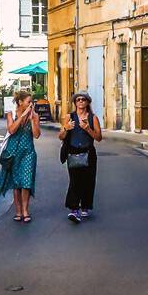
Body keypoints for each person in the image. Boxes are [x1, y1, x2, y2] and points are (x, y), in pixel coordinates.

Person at [58, 90, 102, 222]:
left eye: (83, 99)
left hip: (88, 152)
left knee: (88, 181)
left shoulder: (92, 118)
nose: (81, 101)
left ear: (88, 102)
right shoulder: (69, 117)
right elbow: (60, 136)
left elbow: (99, 137)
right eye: (78, 99)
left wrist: (88, 128)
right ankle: (74, 209)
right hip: (73, 152)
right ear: (75, 102)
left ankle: (85, 206)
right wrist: (66, 128)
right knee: (75, 180)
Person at [0, 89, 40, 222]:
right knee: (16, 183)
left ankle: (25, 210)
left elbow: (36, 135)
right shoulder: (11, 114)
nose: (30, 104)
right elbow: (11, 130)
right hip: (13, 152)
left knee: (26, 182)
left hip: (28, 152)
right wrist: (22, 116)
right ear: (20, 102)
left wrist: (32, 119)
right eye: (28, 102)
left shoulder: (34, 115)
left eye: (31, 102)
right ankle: (18, 211)